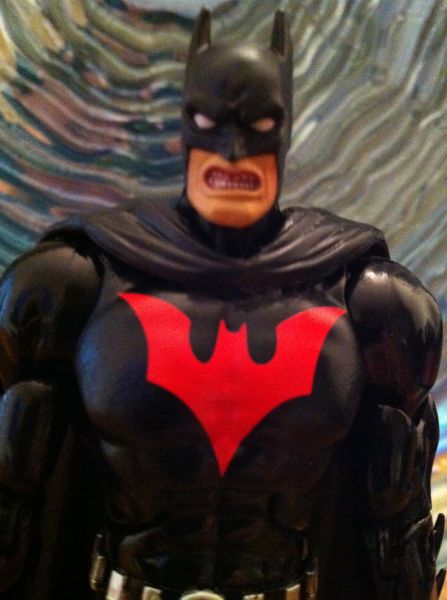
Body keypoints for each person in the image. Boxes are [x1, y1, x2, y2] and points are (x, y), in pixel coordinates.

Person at [0, 9, 443, 600]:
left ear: (283, 133)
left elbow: (393, 511)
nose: (233, 153)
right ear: (186, 128)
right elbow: (19, 495)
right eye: (211, 124)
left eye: (257, 127)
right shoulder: (75, 283)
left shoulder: (371, 302)